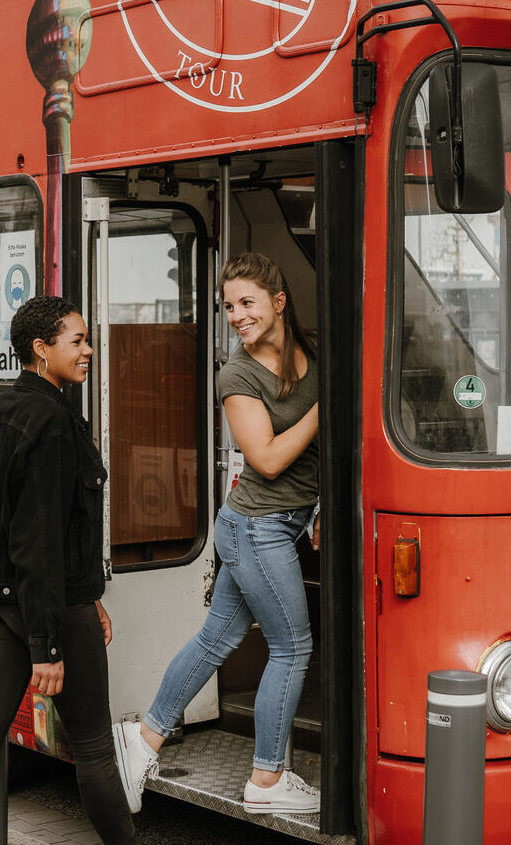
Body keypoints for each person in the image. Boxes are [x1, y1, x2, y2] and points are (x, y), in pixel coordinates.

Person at [114, 253, 321, 815]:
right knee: (292, 647)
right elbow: (270, 459)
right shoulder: (237, 374)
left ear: (278, 303)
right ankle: (267, 779)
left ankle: (142, 741)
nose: (235, 315)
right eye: (228, 306)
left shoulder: (309, 353)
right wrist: (328, 405)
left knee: (215, 639)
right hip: (257, 529)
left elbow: (315, 460)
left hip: (278, 524)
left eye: (246, 303)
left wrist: (321, 502)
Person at [0, 296, 134, 845]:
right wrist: (47, 645)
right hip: (49, 608)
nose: (88, 350)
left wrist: (89, 596)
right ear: (41, 350)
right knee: (92, 750)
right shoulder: (53, 423)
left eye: (87, 340)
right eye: (77, 341)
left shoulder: (0, 410)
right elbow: (40, 542)